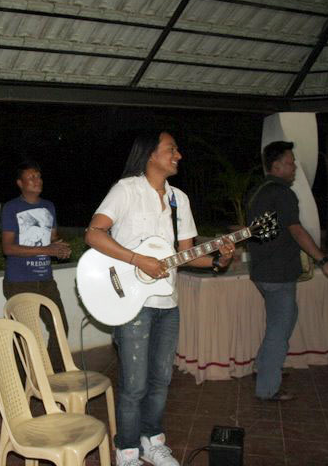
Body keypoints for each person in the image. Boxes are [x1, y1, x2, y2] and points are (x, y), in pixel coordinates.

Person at [84, 133, 234, 466]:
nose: (179, 155)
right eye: (171, 149)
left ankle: (152, 440)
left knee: (161, 380)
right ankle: (126, 450)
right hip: (131, 303)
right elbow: (93, 234)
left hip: (168, 305)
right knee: (134, 384)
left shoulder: (180, 199)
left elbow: (186, 254)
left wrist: (219, 259)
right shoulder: (126, 190)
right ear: (151, 154)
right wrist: (139, 260)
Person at [247, 141, 328, 402]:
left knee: (284, 321)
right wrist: (324, 262)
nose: (295, 168)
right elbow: (297, 231)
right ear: (276, 166)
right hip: (277, 273)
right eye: (290, 163)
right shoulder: (283, 193)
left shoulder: (257, 192)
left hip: (262, 271)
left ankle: (263, 367)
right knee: (279, 329)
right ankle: (268, 388)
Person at [1, 161, 72, 370]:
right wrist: (47, 250)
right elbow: (8, 248)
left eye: (39, 176)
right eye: (31, 177)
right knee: (24, 334)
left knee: (60, 327)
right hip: (19, 281)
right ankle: (20, 379)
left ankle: (52, 373)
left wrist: (60, 248)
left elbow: (52, 238)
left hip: (45, 279)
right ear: (20, 183)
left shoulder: (49, 206)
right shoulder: (11, 208)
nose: (37, 180)